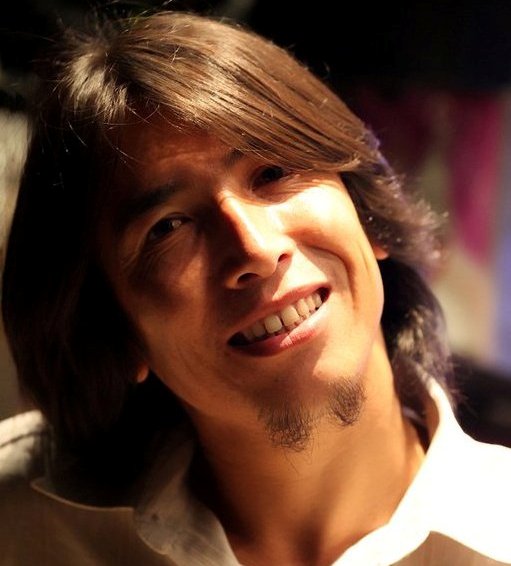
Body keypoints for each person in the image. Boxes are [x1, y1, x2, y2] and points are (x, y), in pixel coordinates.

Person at [0, 9, 510, 566]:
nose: (256, 250)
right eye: (168, 226)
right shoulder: (20, 524)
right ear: (114, 330)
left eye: (273, 173)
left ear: (367, 218)